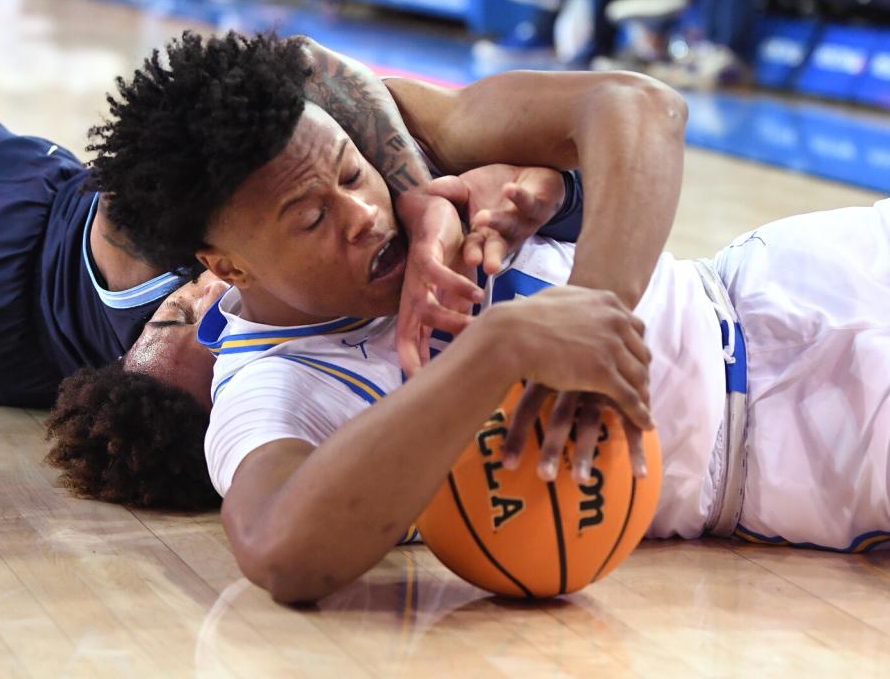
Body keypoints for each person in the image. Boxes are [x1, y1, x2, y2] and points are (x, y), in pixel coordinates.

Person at [54, 30, 890, 606]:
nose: (360, 214)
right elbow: (281, 551)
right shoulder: (270, 389)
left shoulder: (416, 159)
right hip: (792, 459)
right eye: (310, 220)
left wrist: (588, 306)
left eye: (350, 173)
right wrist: (495, 350)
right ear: (226, 267)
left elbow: (637, 108)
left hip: (785, 278)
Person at [0, 36, 499, 408]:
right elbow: (299, 65)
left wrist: (421, 199)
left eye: (351, 178)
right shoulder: (194, 245)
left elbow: (300, 62)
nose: (366, 216)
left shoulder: (162, 240)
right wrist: (426, 202)